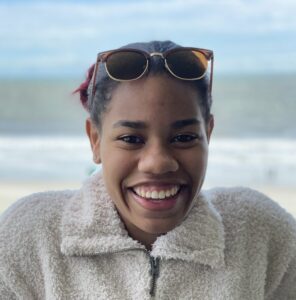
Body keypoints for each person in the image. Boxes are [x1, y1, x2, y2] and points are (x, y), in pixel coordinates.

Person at [0, 40, 295, 299]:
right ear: (95, 140)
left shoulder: (262, 234)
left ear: (208, 134)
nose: (157, 162)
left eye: (184, 138)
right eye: (131, 139)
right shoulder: (30, 235)